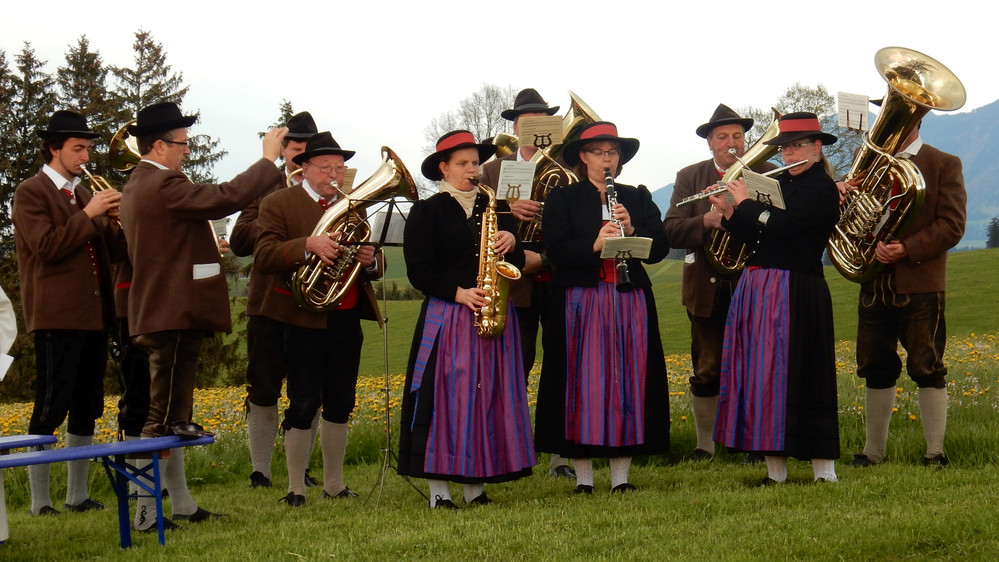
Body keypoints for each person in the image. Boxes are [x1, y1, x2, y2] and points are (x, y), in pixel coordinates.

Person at [121, 101, 286, 530]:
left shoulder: (142, 182)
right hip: (170, 314)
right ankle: (143, 514)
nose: (186, 152)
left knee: (172, 418)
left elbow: (168, 243)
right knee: (157, 423)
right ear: (159, 145)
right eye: (181, 144)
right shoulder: (162, 182)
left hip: (166, 311)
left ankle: (180, 505)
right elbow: (224, 198)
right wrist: (268, 159)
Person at [399, 130, 536, 509]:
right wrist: (458, 293)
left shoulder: (494, 206)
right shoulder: (426, 211)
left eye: (476, 163)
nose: (472, 170)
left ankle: (476, 488)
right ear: (443, 168)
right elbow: (418, 271)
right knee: (442, 400)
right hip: (449, 317)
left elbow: (518, 262)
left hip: (491, 315)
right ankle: (439, 492)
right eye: (463, 163)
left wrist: (512, 243)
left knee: (485, 399)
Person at [534, 121, 670, 493]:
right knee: (580, 383)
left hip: (629, 299)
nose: (606, 158)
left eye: (612, 152)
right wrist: (595, 244)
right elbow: (556, 251)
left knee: (626, 381)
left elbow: (659, 248)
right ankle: (584, 478)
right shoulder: (564, 198)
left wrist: (633, 228)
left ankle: (621, 478)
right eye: (598, 152)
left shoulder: (637, 196)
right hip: (581, 298)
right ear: (583, 156)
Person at [709, 112, 840, 484]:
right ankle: (774, 472)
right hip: (760, 285)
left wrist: (747, 203)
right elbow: (760, 237)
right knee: (762, 375)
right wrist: (730, 211)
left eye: (798, 146)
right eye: (785, 148)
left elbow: (785, 226)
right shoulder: (778, 181)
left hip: (798, 289)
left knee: (807, 374)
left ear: (817, 148)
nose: (789, 154)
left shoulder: (821, 188)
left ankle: (823, 472)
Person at [254, 131, 382, 506]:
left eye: (340, 168)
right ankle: (295, 487)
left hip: (346, 316)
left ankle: (334, 483)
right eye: (325, 167)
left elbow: (370, 262)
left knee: (342, 400)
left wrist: (370, 261)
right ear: (304, 168)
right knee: (303, 401)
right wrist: (306, 245)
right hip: (303, 317)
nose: (334, 175)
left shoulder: (353, 208)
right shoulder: (279, 203)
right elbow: (263, 256)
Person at [12, 110, 121, 515]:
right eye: (78, 149)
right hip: (56, 316)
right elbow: (47, 247)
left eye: (88, 149)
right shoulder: (30, 192)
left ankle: (77, 495)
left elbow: (113, 255)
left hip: (94, 315)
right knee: (50, 405)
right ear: (54, 149)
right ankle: (40, 502)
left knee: (88, 404)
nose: (86, 157)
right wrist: (90, 214)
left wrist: (112, 224)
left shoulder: (79, 195)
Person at [849, 124, 966, 468]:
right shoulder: (866, 160)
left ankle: (935, 451)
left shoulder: (943, 163)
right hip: (874, 278)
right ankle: (873, 451)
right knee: (875, 366)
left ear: (914, 120)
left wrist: (908, 248)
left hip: (921, 281)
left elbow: (953, 223)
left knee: (927, 365)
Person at [663, 104, 774, 462]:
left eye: (738, 136)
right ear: (710, 142)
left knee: (754, 366)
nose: (731, 143)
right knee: (706, 368)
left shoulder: (767, 173)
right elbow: (670, 230)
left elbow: (779, 227)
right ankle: (705, 445)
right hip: (706, 287)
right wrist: (707, 221)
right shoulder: (690, 176)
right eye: (723, 137)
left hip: (753, 283)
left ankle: (752, 443)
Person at [479, 88, 574, 479]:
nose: (532, 128)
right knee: (513, 366)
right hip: (513, 282)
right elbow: (479, 228)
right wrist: (507, 210)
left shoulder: (569, 167)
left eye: (541, 121)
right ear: (515, 128)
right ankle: (506, 451)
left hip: (559, 278)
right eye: (525, 122)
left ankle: (560, 456)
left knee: (562, 366)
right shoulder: (491, 170)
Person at [231, 111, 323, 489]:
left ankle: (300, 468)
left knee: (309, 388)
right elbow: (238, 242)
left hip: (313, 302)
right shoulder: (265, 188)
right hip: (269, 303)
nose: (299, 157)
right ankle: (261, 469)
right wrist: (280, 210)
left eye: (307, 151)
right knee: (264, 386)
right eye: (295, 150)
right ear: (284, 151)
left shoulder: (329, 189)